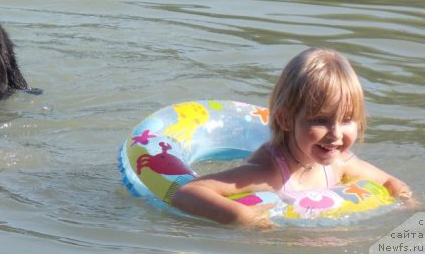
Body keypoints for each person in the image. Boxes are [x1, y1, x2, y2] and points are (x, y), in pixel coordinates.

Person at [170, 47, 413, 228]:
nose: (336, 134)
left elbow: (391, 184)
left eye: (347, 120)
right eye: (320, 120)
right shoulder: (267, 173)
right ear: (286, 119)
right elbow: (187, 193)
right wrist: (245, 218)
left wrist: (408, 205)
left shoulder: (341, 163)